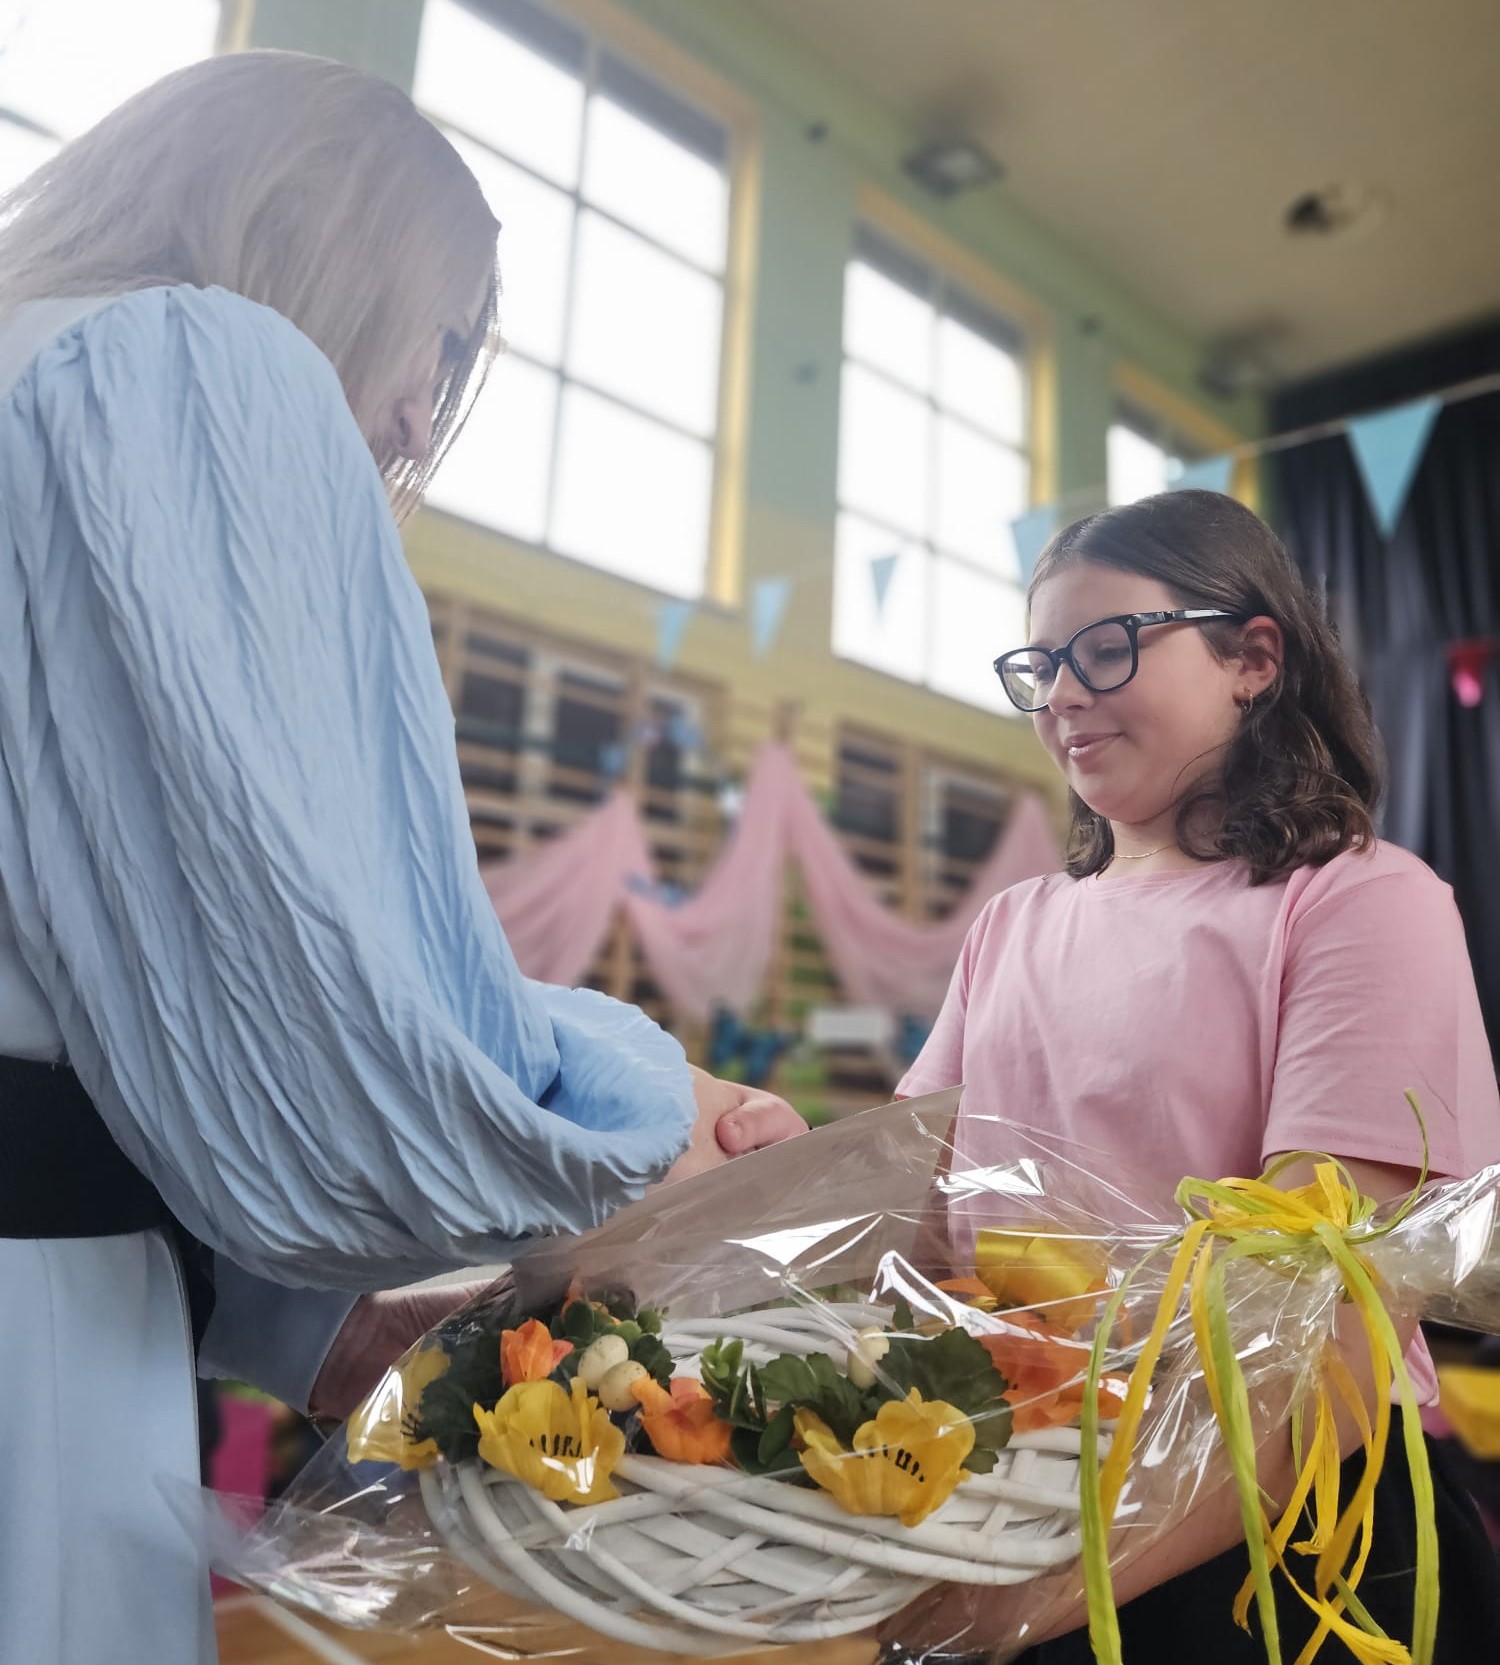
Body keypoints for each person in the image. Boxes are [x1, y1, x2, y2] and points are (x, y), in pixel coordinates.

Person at [0, 51, 802, 1665]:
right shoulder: (190, 358)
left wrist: (330, 1324)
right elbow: (310, 1006)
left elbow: (115, 998)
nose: (421, 417)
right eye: (438, 343)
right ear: (331, 238)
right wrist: (644, 1120)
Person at [895, 490, 1500, 1660]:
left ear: (1252, 658)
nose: (1061, 695)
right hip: (1009, 1490)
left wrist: (1029, 1604)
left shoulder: (1359, 901)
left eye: (1105, 648)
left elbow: (1330, 1331)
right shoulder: (1011, 925)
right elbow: (900, 1214)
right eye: (1040, 666)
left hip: (1267, 1538)